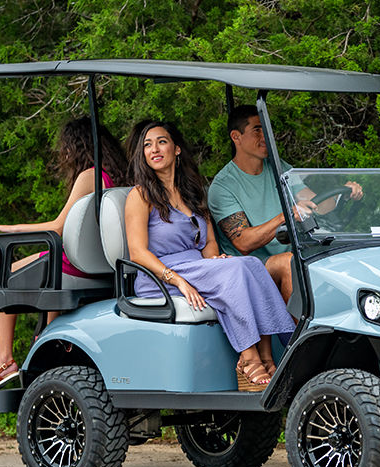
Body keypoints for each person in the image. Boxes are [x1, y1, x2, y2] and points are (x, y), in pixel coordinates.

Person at [124, 121, 294, 391]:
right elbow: (138, 253)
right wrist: (178, 280)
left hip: (197, 268)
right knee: (237, 270)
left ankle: (267, 355)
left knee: (250, 264)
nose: (154, 149)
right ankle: (248, 360)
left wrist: (214, 261)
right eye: (147, 145)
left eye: (161, 142)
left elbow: (210, 242)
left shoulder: (191, 193)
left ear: (177, 149)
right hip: (160, 275)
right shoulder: (141, 195)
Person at [0, 118, 130, 391]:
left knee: (8, 274)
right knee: (44, 264)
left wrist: (11, 229)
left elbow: (58, 227)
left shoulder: (89, 175)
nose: (63, 154)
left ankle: (4, 360)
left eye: (66, 147)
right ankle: (47, 336)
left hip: (76, 263)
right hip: (104, 264)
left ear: (77, 146)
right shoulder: (119, 175)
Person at [208, 105, 362, 302]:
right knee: (288, 263)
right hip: (248, 266)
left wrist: (344, 194)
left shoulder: (279, 168)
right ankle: (299, 333)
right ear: (236, 137)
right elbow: (244, 242)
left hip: (292, 257)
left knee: (339, 256)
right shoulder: (223, 186)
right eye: (257, 130)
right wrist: (286, 215)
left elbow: (318, 205)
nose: (265, 136)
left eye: (266, 129)